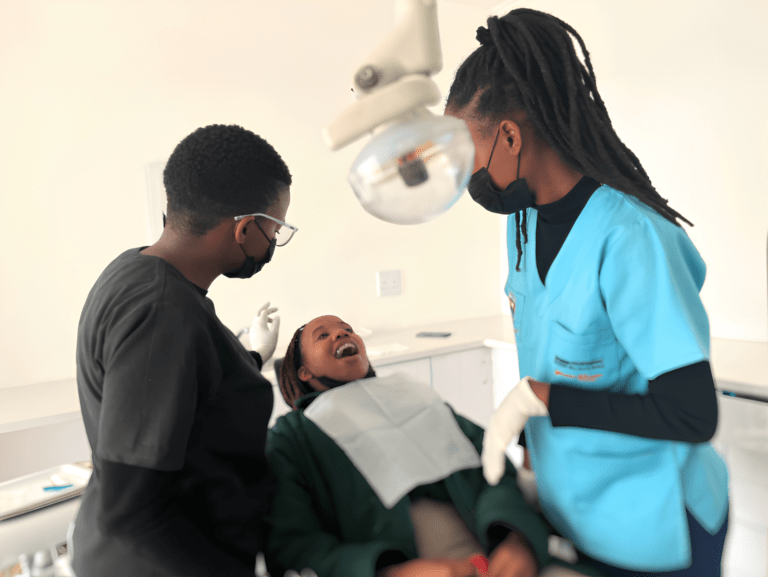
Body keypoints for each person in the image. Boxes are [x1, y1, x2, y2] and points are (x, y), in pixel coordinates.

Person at [443, 8, 729, 576]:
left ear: (509, 135)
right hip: (572, 513)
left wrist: (541, 400)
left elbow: (694, 413)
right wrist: (532, 449)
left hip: (652, 524)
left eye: (465, 151)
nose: (461, 172)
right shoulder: (520, 222)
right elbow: (550, 344)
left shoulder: (631, 237)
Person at [73, 124, 297, 576]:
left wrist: (253, 359)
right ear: (246, 229)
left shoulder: (137, 270)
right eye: (276, 229)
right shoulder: (163, 312)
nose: (273, 243)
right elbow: (131, 511)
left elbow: (180, 396)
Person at [266, 315, 604, 577]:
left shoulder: (415, 398)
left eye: (346, 328)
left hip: (492, 553)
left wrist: (517, 539)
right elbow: (292, 543)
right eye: (322, 335)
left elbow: (493, 469)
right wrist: (388, 571)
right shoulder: (294, 436)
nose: (341, 334)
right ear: (304, 372)